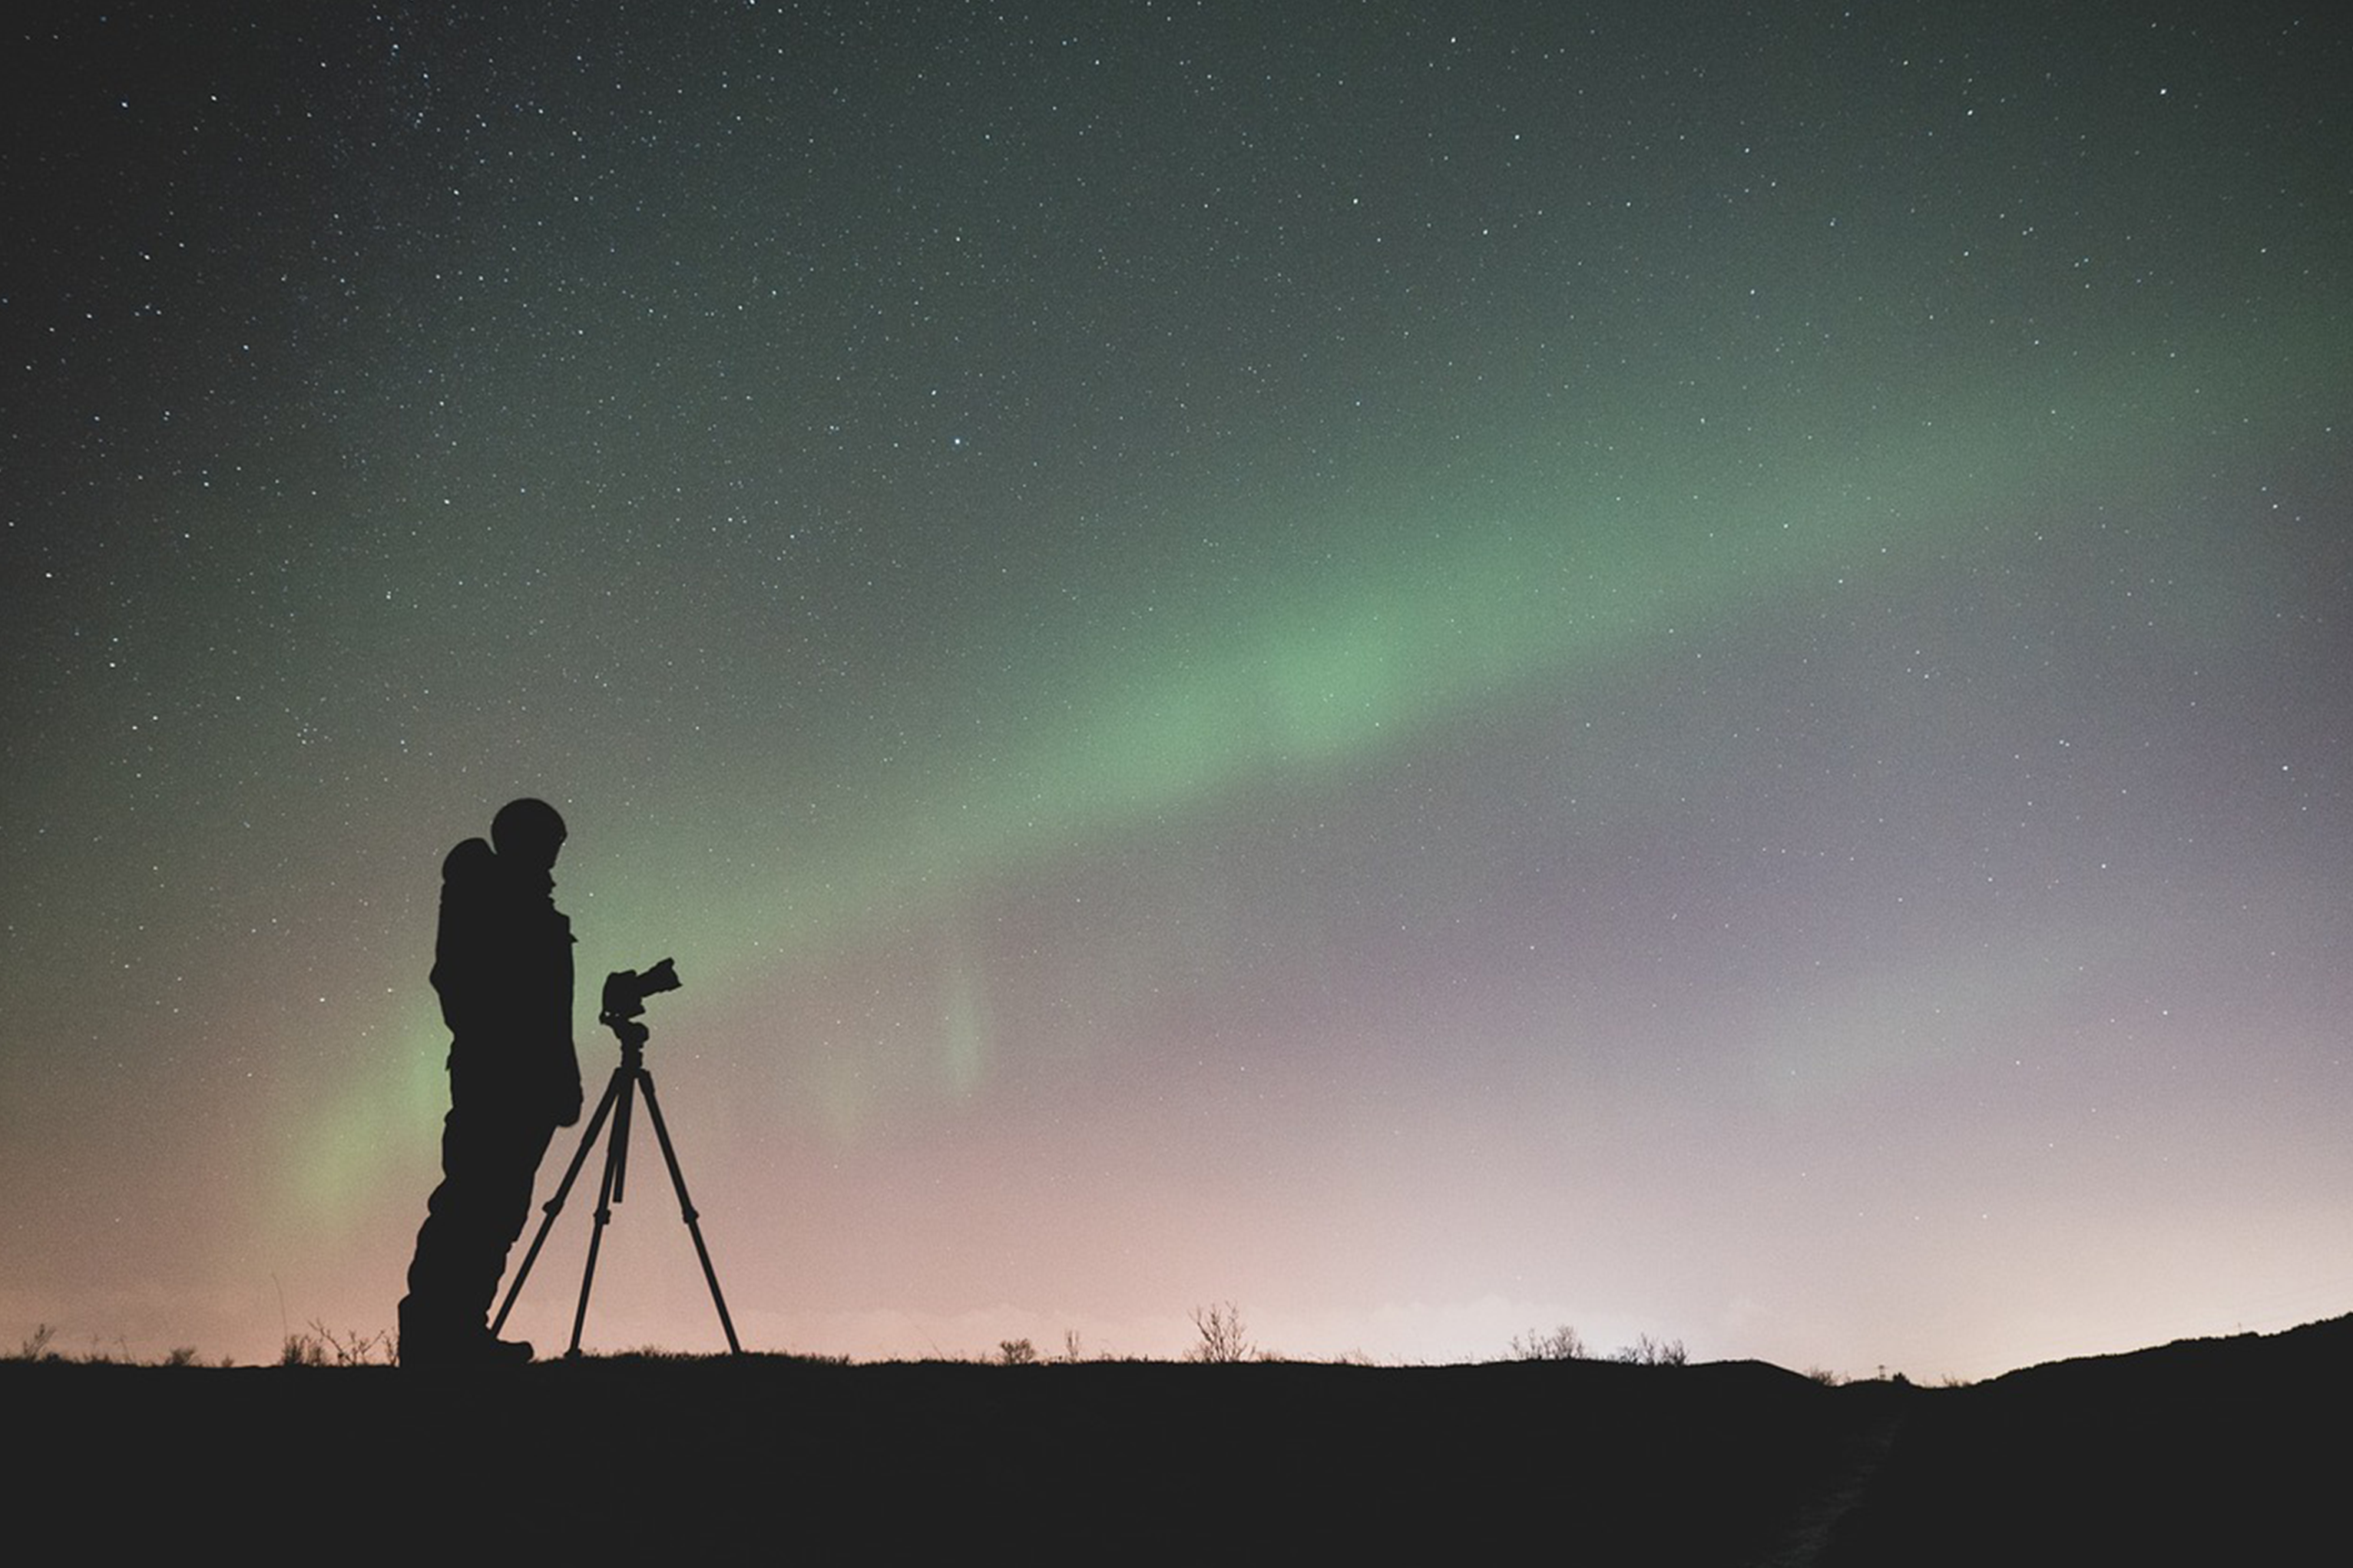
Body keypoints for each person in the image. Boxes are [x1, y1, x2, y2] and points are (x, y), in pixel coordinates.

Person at [398, 797, 585, 1368]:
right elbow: (461, 981)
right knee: (474, 1204)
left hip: (525, 1081)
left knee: (498, 1209)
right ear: (526, 841)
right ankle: (437, 1337)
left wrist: (561, 1075)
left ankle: (461, 1331)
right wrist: (506, 1049)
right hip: (498, 1078)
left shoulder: (525, 902)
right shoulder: (490, 894)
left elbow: (552, 1010)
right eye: (548, 844)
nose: (554, 859)